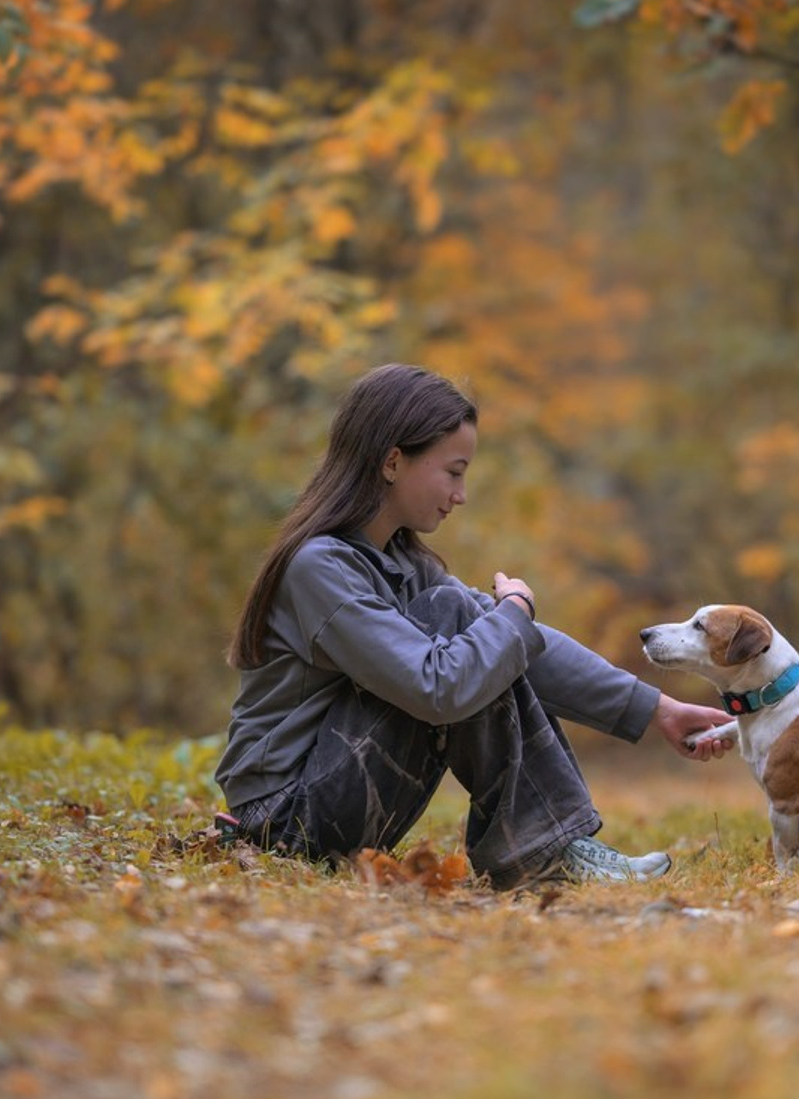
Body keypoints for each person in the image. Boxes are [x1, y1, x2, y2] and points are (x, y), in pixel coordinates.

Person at [215, 363, 734, 889]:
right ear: (393, 462)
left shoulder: (402, 565)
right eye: (454, 471)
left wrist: (657, 710)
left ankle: (554, 848)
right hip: (282, 824)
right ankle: (546, 852)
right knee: (469, 628)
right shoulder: (319, 566)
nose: (461, 494)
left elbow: (522, 648)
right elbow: (438, 685)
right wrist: (512, 613)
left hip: (333, 804)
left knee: (482, 636)